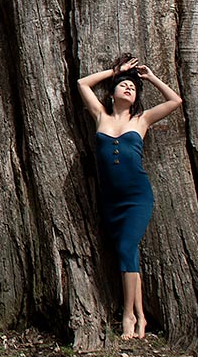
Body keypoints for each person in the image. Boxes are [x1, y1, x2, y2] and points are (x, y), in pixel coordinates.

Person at [75, 53, 184, 340]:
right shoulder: (101, 115)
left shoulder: (142, 120)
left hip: (137, 197)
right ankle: (141, 316)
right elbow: (83, 83)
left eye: (132, 88)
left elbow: (175, 101)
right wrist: (116, 72)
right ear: (112, 94)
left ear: (136, 99)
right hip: (110, 199)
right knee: (128, 253)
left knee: (126, 247)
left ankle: (128, 315)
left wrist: (151, 78)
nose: (128, 88)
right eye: (123, 85)